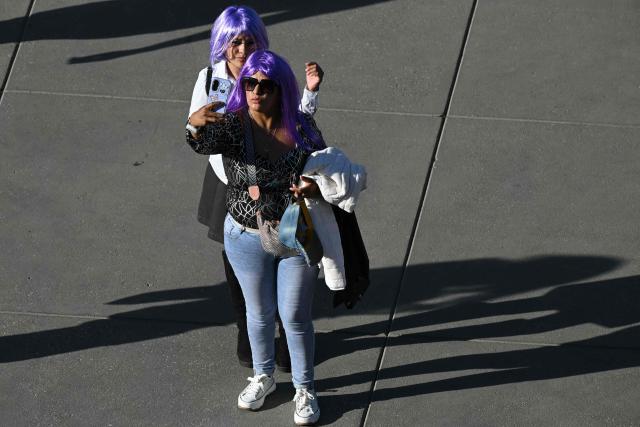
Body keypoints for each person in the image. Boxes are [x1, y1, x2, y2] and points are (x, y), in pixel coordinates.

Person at [186, 50, 324, 425]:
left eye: (265, 85)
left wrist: (314, 188)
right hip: (244, 234)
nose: (256, 91)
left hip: (295, 234)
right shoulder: (233, 125)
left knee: (294, 314)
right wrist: (194, 125)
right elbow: (201, 142)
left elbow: (327, 170)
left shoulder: (302, 126)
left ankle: (304, 388)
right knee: (258, 313)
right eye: (250, 83)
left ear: (281, 90)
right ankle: (263, 376)